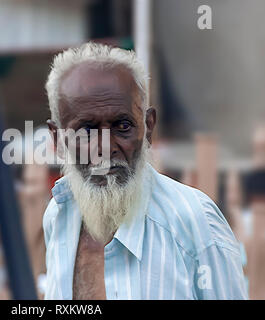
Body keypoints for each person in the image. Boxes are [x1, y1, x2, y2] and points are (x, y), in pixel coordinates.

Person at [42, 42, 247, 300]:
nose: (105, 147)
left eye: (122, 125)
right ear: (57, 139)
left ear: (148, 127)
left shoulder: (195, 223)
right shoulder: (58, 216)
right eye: (86, 130)